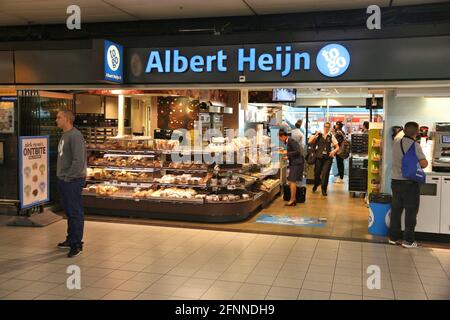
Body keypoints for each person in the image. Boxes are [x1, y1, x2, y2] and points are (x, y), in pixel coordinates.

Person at [389, 121, 428, 249]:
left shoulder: (395, 143)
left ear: (404, 131)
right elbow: (423, 164)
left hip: (395, 181)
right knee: (411, 212)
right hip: (410, 183)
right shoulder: (415, 145)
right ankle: (408, 241)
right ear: (417, 133)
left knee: (396, 210)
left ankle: (393, 238)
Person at [56, 110, 87, 258]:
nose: (56, 120)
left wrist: (68, 177)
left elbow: (78, 161)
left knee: (75, 213)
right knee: (69, 212)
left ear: (68, 119)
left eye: (59, 117)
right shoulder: (65, 134)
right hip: (64, 180)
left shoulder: (75, 136)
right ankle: (70, 239)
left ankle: (77, 244)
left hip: (72, 181)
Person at [308, 122, 340, 196]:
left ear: (330, 128)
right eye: (325, 126)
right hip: (319, 157)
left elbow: (337, 147)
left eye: (328, 127)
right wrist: (316, 134)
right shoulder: (318, 135)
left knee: (325, 174)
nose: (326, 128)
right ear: (323, 127)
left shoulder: (331, 136)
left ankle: (324, 189)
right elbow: (310, 141)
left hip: (328, 158)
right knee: (317, 173)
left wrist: (334, 151)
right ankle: (316, 184)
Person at [279, 129, 304, 206]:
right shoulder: (288, 141)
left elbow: (298, 151)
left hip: (297, 163)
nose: (280, 140)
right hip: (295, 163)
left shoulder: (291, 140)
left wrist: (287, 153)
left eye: (280, 138)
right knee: (291, 181)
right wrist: (288, 157)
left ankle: (292, 200)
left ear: (283, 136)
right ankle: (293, 199)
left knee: (292, 181)